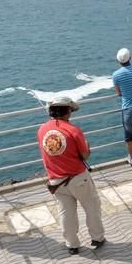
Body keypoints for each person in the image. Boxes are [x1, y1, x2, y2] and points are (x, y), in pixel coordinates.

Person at [37, 96, 105, 255]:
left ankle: (72, 244)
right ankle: (97, 238)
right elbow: (85, 155)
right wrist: (88, 147)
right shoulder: (73, 130)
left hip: (56, 181)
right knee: (92, 207)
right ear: (67, 111)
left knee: (66, 213)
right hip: (78, 178)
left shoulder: (41, 130)